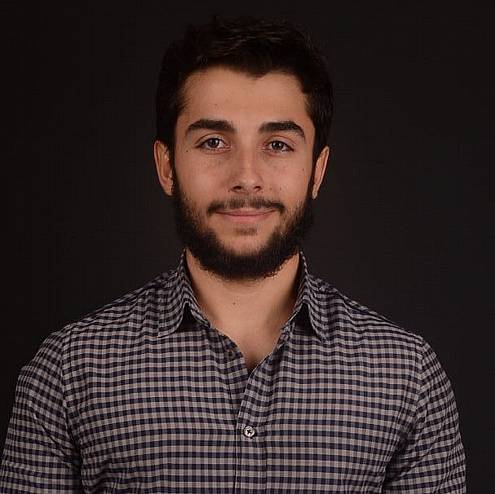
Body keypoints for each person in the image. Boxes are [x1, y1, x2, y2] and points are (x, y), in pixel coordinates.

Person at [0, 16, 465, 493]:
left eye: (278, 144)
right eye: (213, 142)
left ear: (318, 171)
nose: (246, 176)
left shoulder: (407, 377)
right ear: (167, 166)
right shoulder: (68, 373)